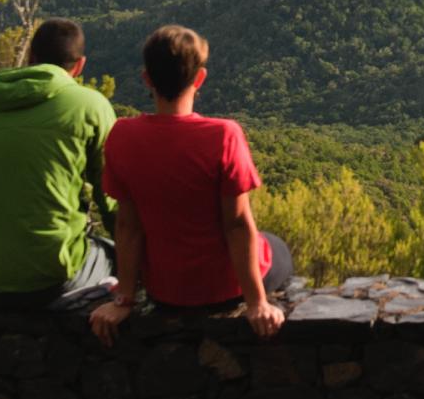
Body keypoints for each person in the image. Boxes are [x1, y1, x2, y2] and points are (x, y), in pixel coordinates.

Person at [90, 24, 290, 344]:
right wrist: (257, 303)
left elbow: (128, 226)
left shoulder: (122, 136)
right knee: (276, 247)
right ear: (199, 79)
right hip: (224, 290)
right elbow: (237, 225)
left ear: (147, 79)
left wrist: (124, 298)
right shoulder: (223, 135)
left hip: (165, 292)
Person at [0, 18, 117, 307]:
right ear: (80, 65)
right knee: (113, 255)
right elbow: (110, 197)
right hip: (51, 276)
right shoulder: (90, 105)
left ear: (31, 57)